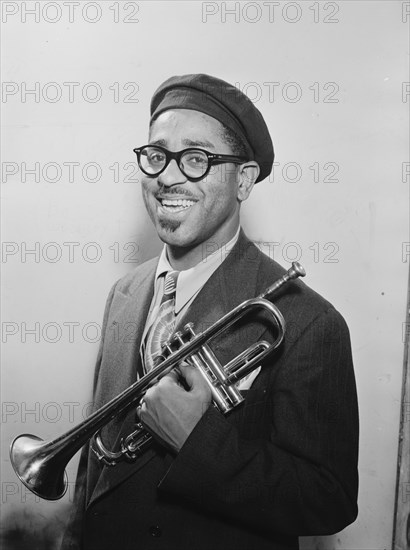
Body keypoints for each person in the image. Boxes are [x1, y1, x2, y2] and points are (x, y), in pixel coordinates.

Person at [61, 73, 359, 550]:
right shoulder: (124, 292)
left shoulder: (308, 322)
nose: (168, 176)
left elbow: (330, 499)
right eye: (157, 156)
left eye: (196, 159)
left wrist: (198, 442)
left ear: (243, 181)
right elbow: (98, 459)